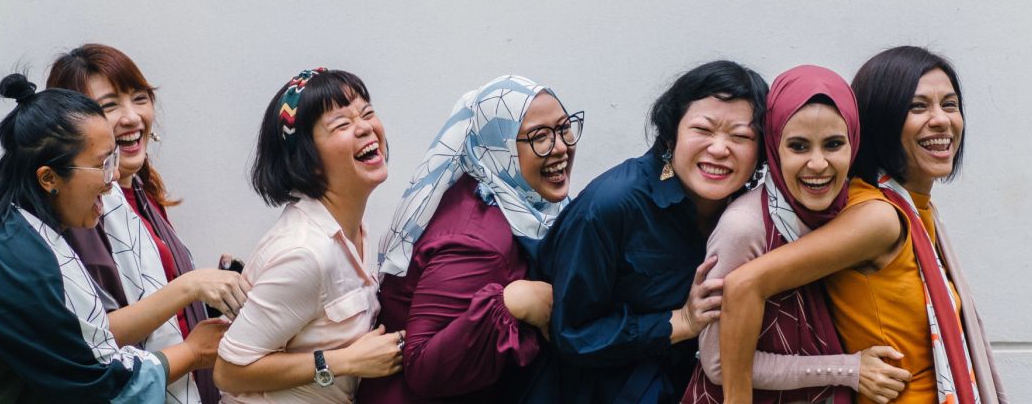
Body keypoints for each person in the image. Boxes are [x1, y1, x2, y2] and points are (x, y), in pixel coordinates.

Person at [0, 74, 227, 403]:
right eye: (102, 165)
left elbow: (90, 339)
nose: (112, 180)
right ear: (49, 178)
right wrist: (193, 351)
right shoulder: (13, 258)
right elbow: (95, 382)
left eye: (114, 159)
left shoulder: (24, 235)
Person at [718, 47, 1008, 404]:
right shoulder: (879, 217)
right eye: (918, 107)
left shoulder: (915, 208)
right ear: (881, 120)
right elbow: (744, 286)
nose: (941, 120)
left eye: (949, 104)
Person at [519, 60, 769, 403]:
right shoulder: (611, 205)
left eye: (740, 136)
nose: (720, 148)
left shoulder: (750, 211)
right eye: (703, 129)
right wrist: (679, 322)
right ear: (671, 133)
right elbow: (572, 334)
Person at [684, 65, 912, 404]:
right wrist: (848, 370)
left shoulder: (854, 211)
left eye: (834, 144)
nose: (818, 164)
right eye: (799, 146)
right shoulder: (745, 227)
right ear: (775, 147)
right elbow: (719, 364)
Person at [356, 75, 582, 403]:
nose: (560, 147)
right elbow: (421, 366)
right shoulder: (478, 241)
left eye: (564, 128)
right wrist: (513, 301)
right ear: (498, 145)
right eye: (539, 137)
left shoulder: (503, 194)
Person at [47, 43, 248, 404]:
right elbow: (91, 337)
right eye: (109, 106)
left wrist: (208, 295)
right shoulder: (81, 210)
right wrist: (190, 288)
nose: (132, 117)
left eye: (139, 98)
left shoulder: (141, 190)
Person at [213, 68, 402, 403]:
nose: (365, 127)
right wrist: (346, 361)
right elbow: (228, 370)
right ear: (307, 159)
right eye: (342, 124)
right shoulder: (305, 252)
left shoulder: (355, 227)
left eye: (367, 113)